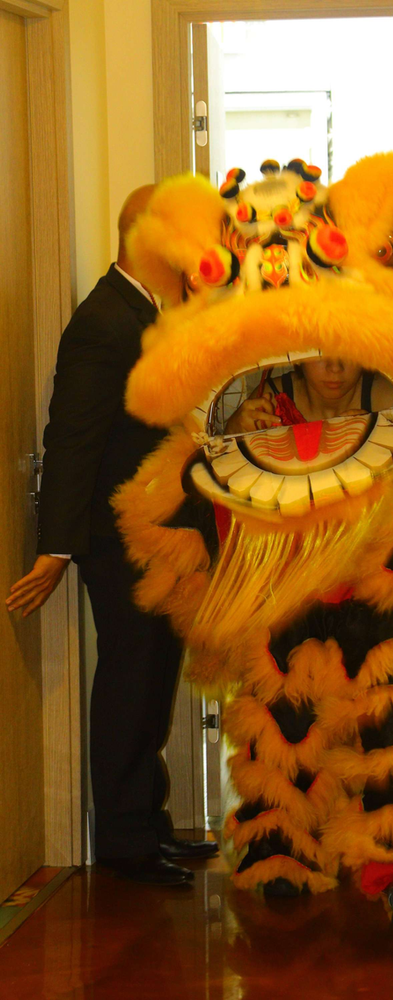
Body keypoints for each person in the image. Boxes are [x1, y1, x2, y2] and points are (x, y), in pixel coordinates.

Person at [5, 186, 218, 885]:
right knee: (131, 677)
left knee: (156, 675)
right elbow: (72, 439)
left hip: (161, 533)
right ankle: (126, 842)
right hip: (120, 538)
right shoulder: (103, 321)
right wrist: (57, 547)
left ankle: (148, 823)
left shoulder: (153, 311)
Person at [224, 356, 393, 434]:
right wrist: (233, 429)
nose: (335, 367)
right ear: (299, 352)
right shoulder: (271, 398)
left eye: (346, 350)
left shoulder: (388, 403)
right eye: (320, 351)